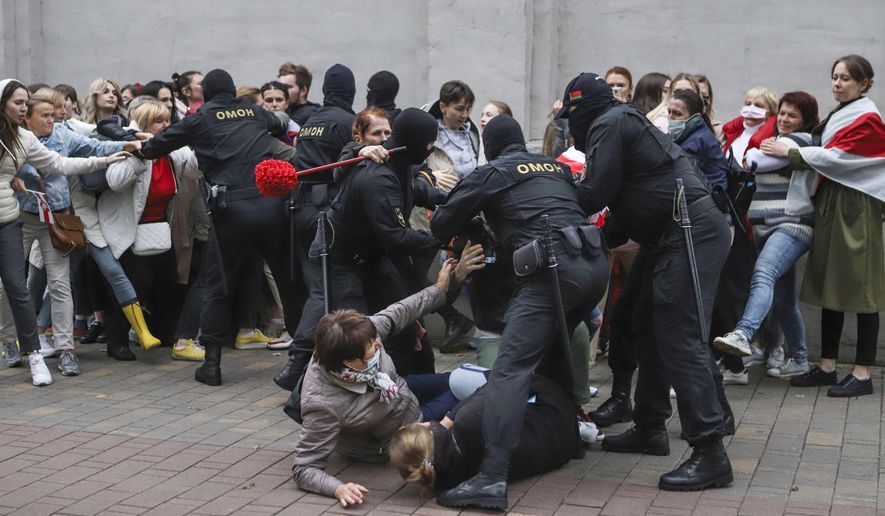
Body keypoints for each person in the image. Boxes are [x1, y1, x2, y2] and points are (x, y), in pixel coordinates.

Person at [560, 73, 733, 491]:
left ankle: (710, 451)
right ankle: (650, 427)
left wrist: (551, 183)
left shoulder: (609, 122)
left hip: (688, 229)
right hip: (670, 232)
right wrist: (595, 240)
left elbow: (596, 192)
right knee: (641, 323)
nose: (570, 125)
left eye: (571, 115)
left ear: (582, 110)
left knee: (679, 336)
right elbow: (623, 211)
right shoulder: (620, 122)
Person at [430, 114, 609, 509]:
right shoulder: (556, 167)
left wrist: (473, 211)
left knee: (511, 368)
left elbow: (441, 223)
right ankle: (566, 436)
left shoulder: (491, 172)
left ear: (489, 147)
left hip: (551, 267)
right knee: (555, 350)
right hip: (594, 264)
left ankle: (491, 478)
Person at [138, 68, 302, 386]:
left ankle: (212, 365)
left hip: (232, 211)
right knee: (287, 280)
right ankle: (301, 358)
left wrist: (139, 149)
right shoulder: (254, 112)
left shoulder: (200, 118)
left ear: (208, 94)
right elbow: (278, 122)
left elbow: (158, 146)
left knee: (217, 283)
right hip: (271, 205)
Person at [293, 253, 482, 507]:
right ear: (349, 362)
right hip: (401, 429)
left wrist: (440, 289)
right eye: (372, 346)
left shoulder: (360, 332)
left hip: (399, 391)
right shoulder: (322, 403)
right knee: (470, 394)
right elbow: (304, 468)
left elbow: (403, 310)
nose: (379, 343)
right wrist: (338, 488)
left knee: (463, 380)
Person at [278, 108, 446, 391]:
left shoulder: (399, 164)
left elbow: (417, 191)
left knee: (402, 318)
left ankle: (412, 386)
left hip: (371, 257)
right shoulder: (376, 175)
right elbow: (396, 237)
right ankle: (301, 392)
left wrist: (460, 200)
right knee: (352, 333)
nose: (430, 150)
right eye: (429, 144)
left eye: (386, 133)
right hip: (339, 259)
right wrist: (442, 238)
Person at [755, 55, 884, 397]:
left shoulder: (868, 117)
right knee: (832, 283)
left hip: (856, 206)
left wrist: (791, 152)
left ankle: (862, 373)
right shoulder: (843, 114)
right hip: (833, 203)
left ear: (864, 82)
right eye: (835, 77)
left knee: (860, 288)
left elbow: (841, 158)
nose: (838, 83)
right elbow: (830, 152)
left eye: (846, 78)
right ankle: (827, 366)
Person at [0, 79, 129, 385]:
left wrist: (109, 157)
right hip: (24, 216)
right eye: (21, 104)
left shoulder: (29, 137)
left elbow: (63, 162)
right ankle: (9, 340)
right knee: (9, 288)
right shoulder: (17, 139)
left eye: (26, 103)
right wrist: (18, 177)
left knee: (50, 284)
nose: (52, 119)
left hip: (45, 219)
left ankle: (61, 349)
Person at [713, 92, 819, 379]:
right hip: (764, 228)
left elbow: (754, 159)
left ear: (805, 121)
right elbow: (752, 156)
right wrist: (757, 152)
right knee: (784, 300)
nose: (784, 119)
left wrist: (760, 151)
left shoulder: (802, 142)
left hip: (791, 225)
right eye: (782, 113)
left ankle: (743, 334)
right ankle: (799, 358)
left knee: (763, 273)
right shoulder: (777, 144)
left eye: (792, 115)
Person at [97, 98, 203, 358]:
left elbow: (193, 173)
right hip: (125, 229)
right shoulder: (129, 146)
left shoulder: (174, 151)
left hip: (157, 230)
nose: (166, 125)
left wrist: (201, 146)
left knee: (168, 283)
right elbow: (115, 181)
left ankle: (163, 333)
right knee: (138, 285)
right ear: (144, 125)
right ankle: (117, 340)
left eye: (168, 120)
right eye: (159, 121)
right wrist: (142, 152)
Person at [390, 373, 596, 494]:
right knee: (491, 377)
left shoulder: (447, 482)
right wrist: (449, 418)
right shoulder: (469, 421)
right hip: (558, 416)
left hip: (561, 450)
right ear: (428, 431)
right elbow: (503, 381)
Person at [668, 89, 728, 189]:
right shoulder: (693, 133)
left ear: (695, 117)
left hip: (709, 199)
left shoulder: (698, 140)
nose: (670, 117)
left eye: (677, 113)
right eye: (669, 112)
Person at [721, 86, 779, 163]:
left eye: (758, 106)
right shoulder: (730, 133)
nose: (750, 109)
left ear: (771, 112)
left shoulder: (773, 140)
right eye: (748, 104)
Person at [693, 75, 723, 141]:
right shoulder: (676, 126)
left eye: (702, 95)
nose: (699, 98)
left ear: (709, 99)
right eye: (695, 94)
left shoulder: (718, 130)